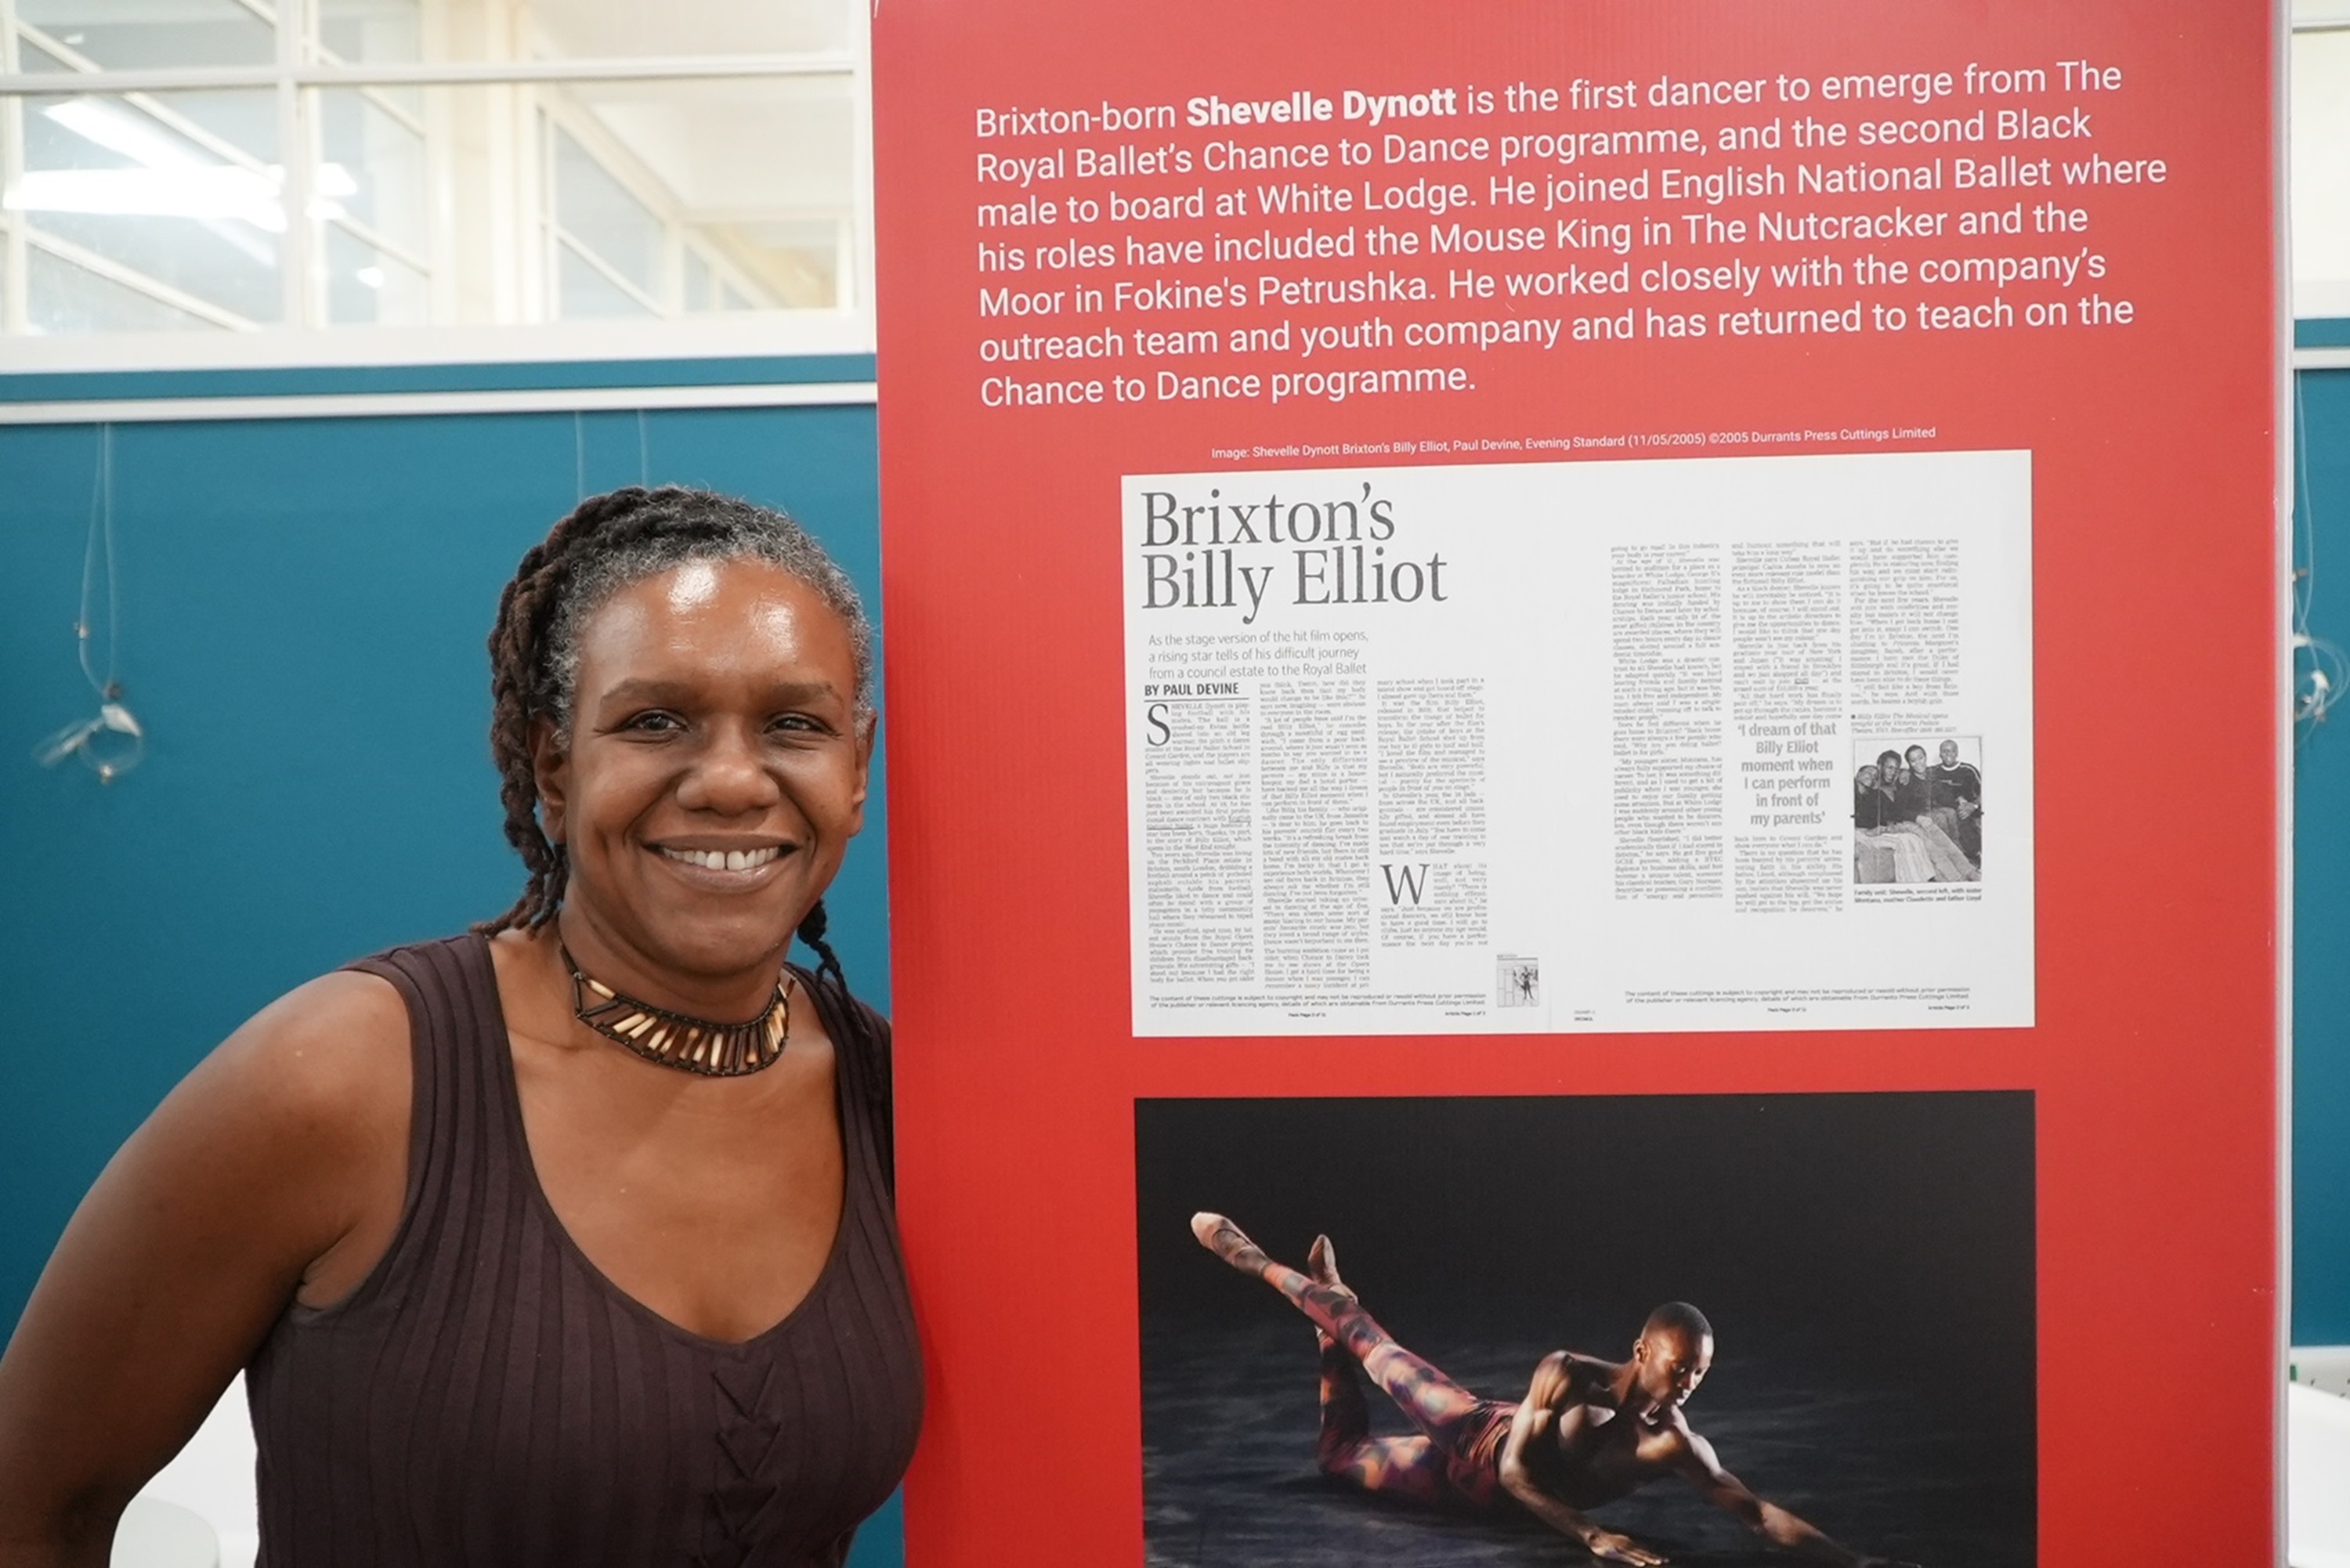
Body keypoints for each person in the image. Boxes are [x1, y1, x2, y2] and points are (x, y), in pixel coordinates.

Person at [0, 488, 922, 1568]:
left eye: (795, 725)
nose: (728, 780)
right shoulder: (344, 1078)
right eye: (654, 720)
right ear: (553, 764)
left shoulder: (895, 1099)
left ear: (856, 770)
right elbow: (33, 1505)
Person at [1191, 1214, 1918, 1568]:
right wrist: (1591, 1535)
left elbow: (1757, 1514)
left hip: (1476, 1498)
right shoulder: (1569, 1373)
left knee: (1337, 1458)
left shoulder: (1675, 1444)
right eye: (1678, 1367)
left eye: (1700, 1373)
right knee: (1376, 1349)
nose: (1688, 1384)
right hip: (1474, 1434)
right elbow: (1515, 1470)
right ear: (1643, 1351)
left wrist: (1855, 1562)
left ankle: (1327, 1317)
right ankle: (1258, 1262)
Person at [1926, 740, 1982, 865]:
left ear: (1957, 753)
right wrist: (1905, 773)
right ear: (1940, 754)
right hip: (1945, 812)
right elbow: (1917, 775)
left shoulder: (1968, 770)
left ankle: (1973, 857)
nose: (1948, 754)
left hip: (1966, 810)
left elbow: (1985, 792)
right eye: (1945, 751)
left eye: (1952, 751)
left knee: (1963, 819)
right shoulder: (1933, 771)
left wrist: (1973, 806)